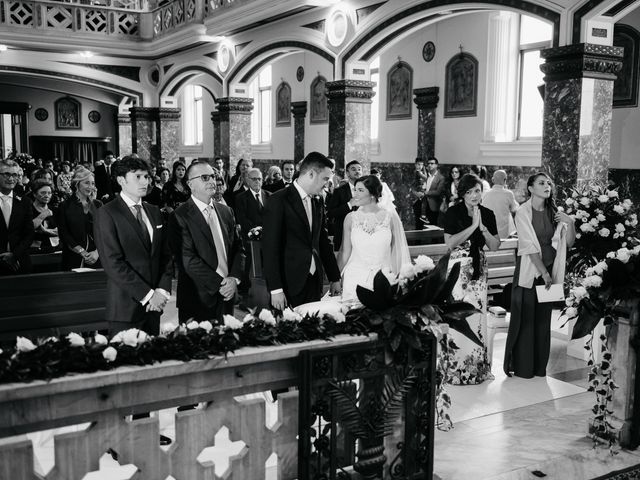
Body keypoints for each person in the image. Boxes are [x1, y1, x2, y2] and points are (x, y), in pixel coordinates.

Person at [504, 172, 575, 378]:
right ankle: (524, 368)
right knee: (525, 320)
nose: (547, 186)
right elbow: (527, 246)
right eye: (542, 183)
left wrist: (569, 222)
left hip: (551, 271)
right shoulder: (523, 212)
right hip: (530, 271)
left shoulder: (555, 212)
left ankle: (539, 368)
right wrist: (543, 273)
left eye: (549, 183)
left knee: (543, 322)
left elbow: (569, 243)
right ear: (531, 188)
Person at [94, 156, 173, 335]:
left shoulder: (153, 211)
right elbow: (113, 263)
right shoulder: (107, 213)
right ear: (121, 180)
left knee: (155, 361)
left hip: (154, 307)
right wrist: (149, 295)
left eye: (146, 176)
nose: (145, 181)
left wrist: (161, 291)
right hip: (125, 307)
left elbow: (165, 256)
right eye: (138, 176)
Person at [262, 151, 341, 309]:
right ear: (311, 174)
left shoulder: (317, 201)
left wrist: (334, 277)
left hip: (314, 279)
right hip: (289, 282)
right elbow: (270, 249)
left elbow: (322, 241)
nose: (327, 184)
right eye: (325, 179)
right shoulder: (278, 200)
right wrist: (276, 289)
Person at [443, 173, 500, 384]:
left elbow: (494, 246)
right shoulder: (453, 212)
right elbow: (449, 243)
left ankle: (476, 368)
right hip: (457, 269)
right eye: (469, 192)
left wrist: (482, 227)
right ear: (462, 194)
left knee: (477, 315)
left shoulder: (488, 213)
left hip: (478, 269)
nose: (474, 195)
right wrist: (472, 226)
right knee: (457, 314)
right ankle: (455, 367)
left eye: (477, 190)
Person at [169, 161, 245, 321]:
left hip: (227, 295)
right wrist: (221, 284)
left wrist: (233, 279)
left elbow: (238, 249)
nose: (212, 181)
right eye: (204, 177)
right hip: (197, 297)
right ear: (190, 184)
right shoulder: (180, 215)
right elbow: (188, 260)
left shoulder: (226, 211)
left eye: (213, 176)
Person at [337, 175, 410, 303]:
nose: (355, 194)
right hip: (354, 278)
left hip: (383, 278)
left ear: (372, 193)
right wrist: (336, 278)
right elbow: (345, 252)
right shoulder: (350, 218)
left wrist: (396, 278)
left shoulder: (391, 218)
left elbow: (396, 251)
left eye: (360, 190)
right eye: (355, 190)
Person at [57, 166, 102, 270]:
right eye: (86, 183)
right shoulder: (65, 206)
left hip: (97, 256)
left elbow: (106, 232)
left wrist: (97, 253)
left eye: (92, 183)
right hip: (73, 257)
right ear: (77, 184)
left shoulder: (98, 204)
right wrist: (82, 252)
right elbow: (64, 234)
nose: (91, 187)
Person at [0, 159, 35, 275]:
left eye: (14, 174)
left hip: (20, 263)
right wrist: (3, 257)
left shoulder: (25, 202)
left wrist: (14, 255)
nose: (11, 179)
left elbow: (29, 234)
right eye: (6, 174)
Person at [326, 159, 363, 251]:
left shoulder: (368, 190)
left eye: (359, 169)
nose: (357, 171)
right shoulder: (339, 191)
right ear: (347, 173)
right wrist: (349, 204)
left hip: (362, 236)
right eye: (353, 169)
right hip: (343, 235)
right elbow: (331, 213)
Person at [482, 169, 519, 239]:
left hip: (488, 234)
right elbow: (515, 209)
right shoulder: (508, 194)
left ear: (493, 180)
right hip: (503, 235)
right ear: (505, 181)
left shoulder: (485, 194)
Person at [30, 179, 59, 253]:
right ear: (34, 194)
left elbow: (61, 230)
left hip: (55, 249)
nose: (47, 195)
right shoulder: (28, 209)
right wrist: (42, 215)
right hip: (34, 250)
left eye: (49, 193)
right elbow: (27, 229)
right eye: (43, 193)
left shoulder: (55, 210)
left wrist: (45, 231)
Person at [422, 157, 446, 225]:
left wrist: (426, 193)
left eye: (432, 163)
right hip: (425, 205)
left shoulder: (441, 178)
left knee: (433, 226)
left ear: (437, 165)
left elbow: (438, 192)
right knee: (425, 227)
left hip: (434, 206)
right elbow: (424, 188)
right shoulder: (427, 177)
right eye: (428, 164)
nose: (429, 165)